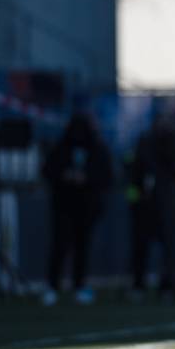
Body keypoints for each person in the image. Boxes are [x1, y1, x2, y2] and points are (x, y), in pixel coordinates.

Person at [41, 111, 113, 306]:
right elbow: (48, 171)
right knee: (60, 246)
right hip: (64, 205)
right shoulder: (62, 148)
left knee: (82, 248)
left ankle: (79, 286)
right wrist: (65, 176)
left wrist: (87, 178)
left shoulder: (97, 149)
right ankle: (52, 286)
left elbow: (106, 176)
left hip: (86, 207)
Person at [127, 111, 175, 302]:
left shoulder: (173, 144)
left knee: (168, 249)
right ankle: (140, 285)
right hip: (147, 205)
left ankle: (167, 286)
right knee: (142, 247)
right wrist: (136, 199)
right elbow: (135, 172)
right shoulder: (145, 144)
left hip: (165, 204)